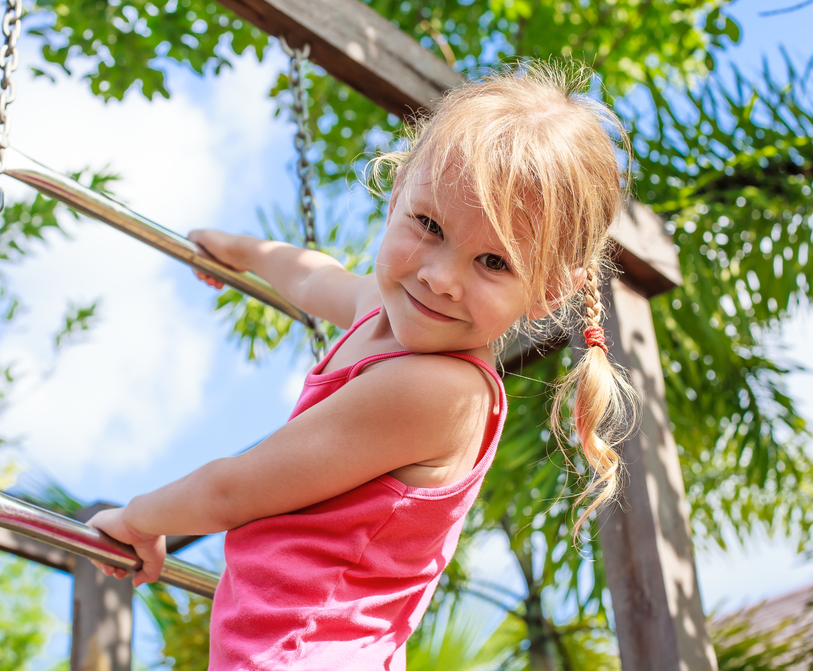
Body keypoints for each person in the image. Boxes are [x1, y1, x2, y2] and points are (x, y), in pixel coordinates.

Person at [86, 61, 637, 670]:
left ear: (549, 290)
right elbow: (315, 276)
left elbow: (232, 489)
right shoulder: (385, 308)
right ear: (397, 192)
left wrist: (137, 519)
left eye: (493, 263)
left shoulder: (439, 391)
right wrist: (242, 252)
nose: (439, 277)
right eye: (428, 225)